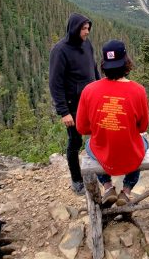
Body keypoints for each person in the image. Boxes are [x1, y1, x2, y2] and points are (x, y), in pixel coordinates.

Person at [76, 39, 149, 207]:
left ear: (103, 64)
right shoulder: (138, 90)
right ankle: (127, 190)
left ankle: (108, 186)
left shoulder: (89, 90)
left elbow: (82, 128)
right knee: (143, 142)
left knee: (90, 144)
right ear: (126, 62)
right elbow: (143, 127)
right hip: (130, 156)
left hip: (104, 154)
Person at [49, 13, 100, 195]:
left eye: (88, 28)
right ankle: (76, 180)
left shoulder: (87, 44)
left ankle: (101, 174)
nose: (87, 32)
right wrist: (64, 112)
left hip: (92, 101)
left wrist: (101, 89)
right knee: (75, 141)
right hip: (73, 105)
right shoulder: (60, 50)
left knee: (98, 135)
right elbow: (55, 83)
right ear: (74, 29)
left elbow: (93, 68)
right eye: (83, 29)